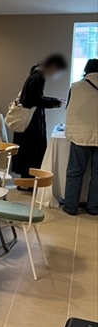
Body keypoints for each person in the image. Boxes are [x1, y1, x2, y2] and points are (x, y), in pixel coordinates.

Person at [12, 54, 68, 178]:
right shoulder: (38, 77)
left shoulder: (34, 75)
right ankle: (29, 182)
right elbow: (37, 100)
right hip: (32, 122)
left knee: (27, 152)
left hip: (29, 119)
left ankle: (26, 181)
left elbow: (35, 98)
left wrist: (55, 101)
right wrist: (56, 102)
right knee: (32, 152)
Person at [62, 59, 98, 216]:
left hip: (80, 134)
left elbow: (69, 108)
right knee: (97, 174)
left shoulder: (76, 87)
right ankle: (93, 207)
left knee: (75, 172)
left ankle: (71, 207)